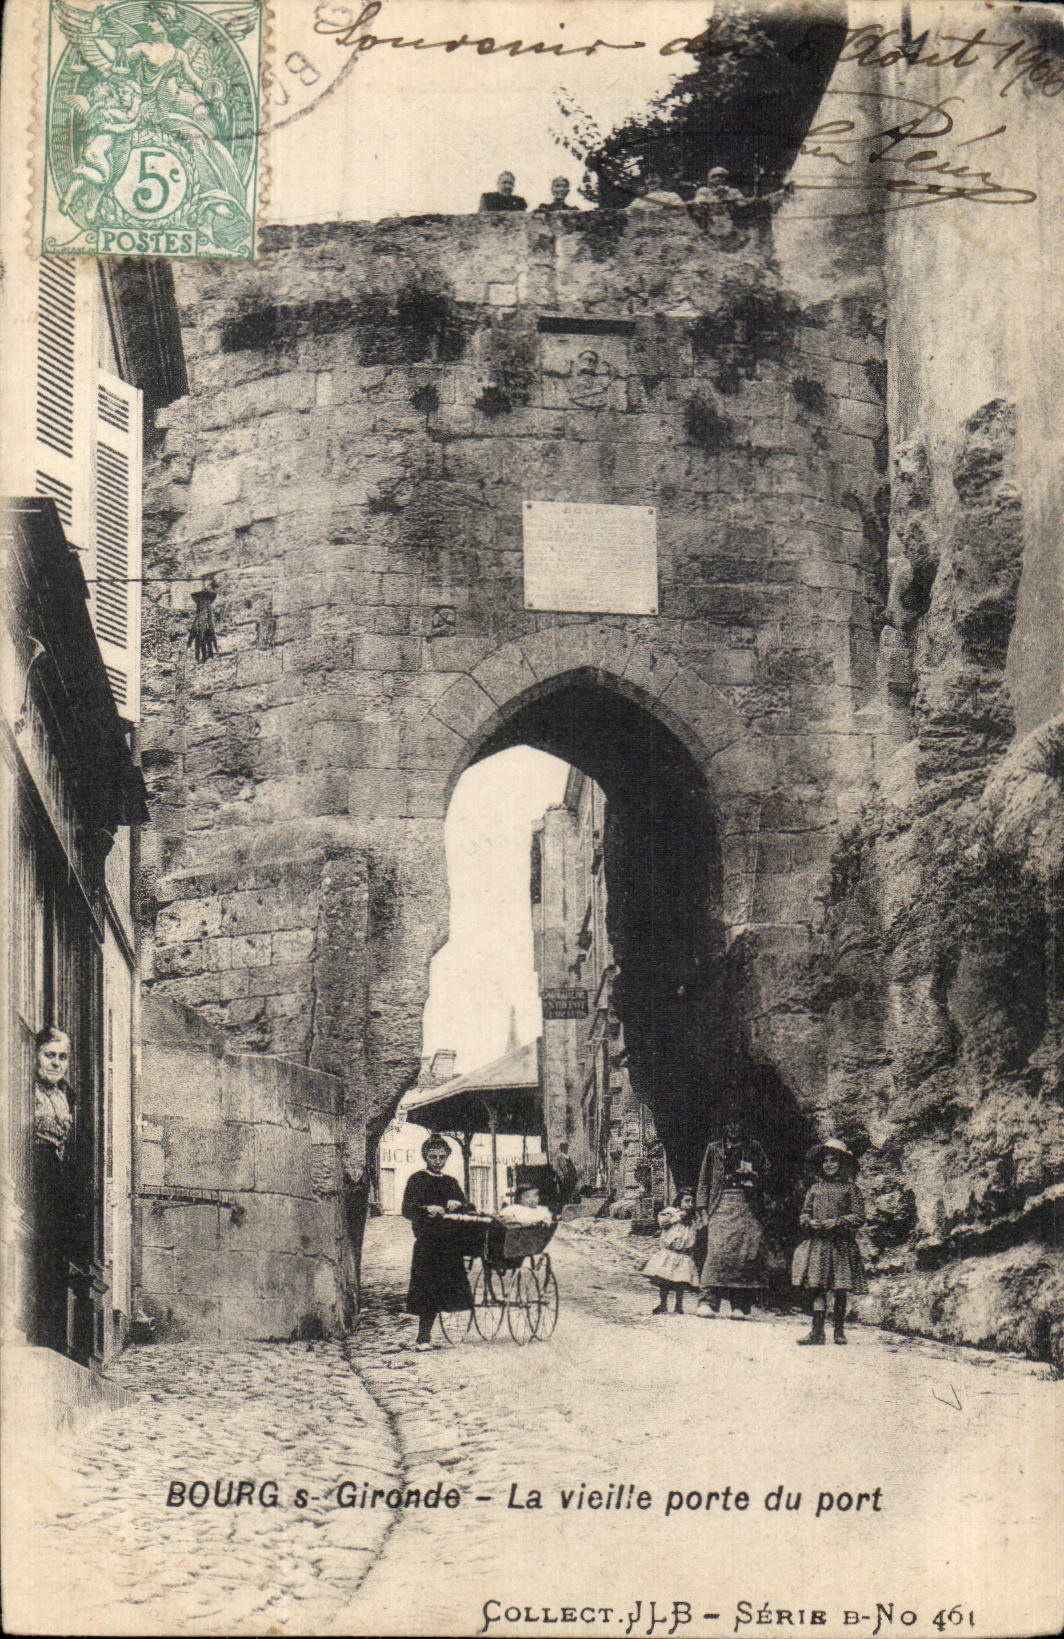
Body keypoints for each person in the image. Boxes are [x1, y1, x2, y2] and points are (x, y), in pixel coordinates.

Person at [401, 1133, 473, 1349]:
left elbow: (468, 1207)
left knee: (449, 1288)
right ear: (425, 1156)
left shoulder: (451, 1182)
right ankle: (423, 1337)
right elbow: (406, 1209)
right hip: (428, 1243)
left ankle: (453, 1331)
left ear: (447, 1158)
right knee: (427, 1290)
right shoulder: (416, 1179)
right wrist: (426, 1209)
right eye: (433, 1157)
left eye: (442, 1157)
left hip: (449, 1244)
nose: (437, 1161)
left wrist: (457, 1203)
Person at [792, 1138, 867, 1345]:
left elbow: (859, 1216)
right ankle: (817, 1332)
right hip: (819, 1244)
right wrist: (810, 1222)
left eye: (834, 1160)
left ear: (843, 1164)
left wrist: (838, 1221)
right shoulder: (815, 1189)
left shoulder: (851, 1189)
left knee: (840, 1288)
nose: (830, 1164)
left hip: (841, 1244)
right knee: (817, 1287)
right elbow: (804, 1214)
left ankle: (839, 1331)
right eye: (826, 1161)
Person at [695, 1119, 770, 1319]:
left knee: (744, 1254)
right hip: (720, 1203)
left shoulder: (754, 1148)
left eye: (738, 1123)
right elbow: (704, 1180)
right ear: (724, 1126)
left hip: (747, 1205)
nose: (734, 1128)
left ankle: (740, 1304)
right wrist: (702, 1207)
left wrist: (753, 1174)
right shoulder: (714, 1149)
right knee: (717, 1251)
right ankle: (708, 1301)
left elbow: (768, 1175)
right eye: (730, 1124)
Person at [32, 1027, 76, 1352]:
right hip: (34, 1174)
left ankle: (55, 1342)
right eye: (50, 1056)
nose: (56, 1063)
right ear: (36, 1056)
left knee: (57, 1259)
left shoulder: (65, 1095)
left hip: (57, 1179)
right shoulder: (28, 1091)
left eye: (62, 1057)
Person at [641, 1189, 698, 1314]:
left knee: (680, 1280)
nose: (690, 1204)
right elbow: (662, 1223)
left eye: (692, 1202)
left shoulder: (693, 1219)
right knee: (664, 1279)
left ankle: (679, 1305)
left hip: (683, 1254)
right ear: (679, 1202)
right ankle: (663, 1304)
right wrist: (677, 1217)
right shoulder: (671, 1213)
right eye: (686, 1201)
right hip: (669, 1252)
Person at [551, 1141, 579, 1207]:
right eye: (565, 1148)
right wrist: (562, 1177)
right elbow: (557, 1168)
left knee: (570, 1193)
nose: (566, 1149)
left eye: (567, 1148)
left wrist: (575, 1175)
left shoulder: (568, 1157)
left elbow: (572, 1167)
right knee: (563, 1194)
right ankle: (562, 1208)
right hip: (563, 1178)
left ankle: (568, 1207)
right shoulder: (558, 1157)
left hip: (570, 1178)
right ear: (562, 1148)